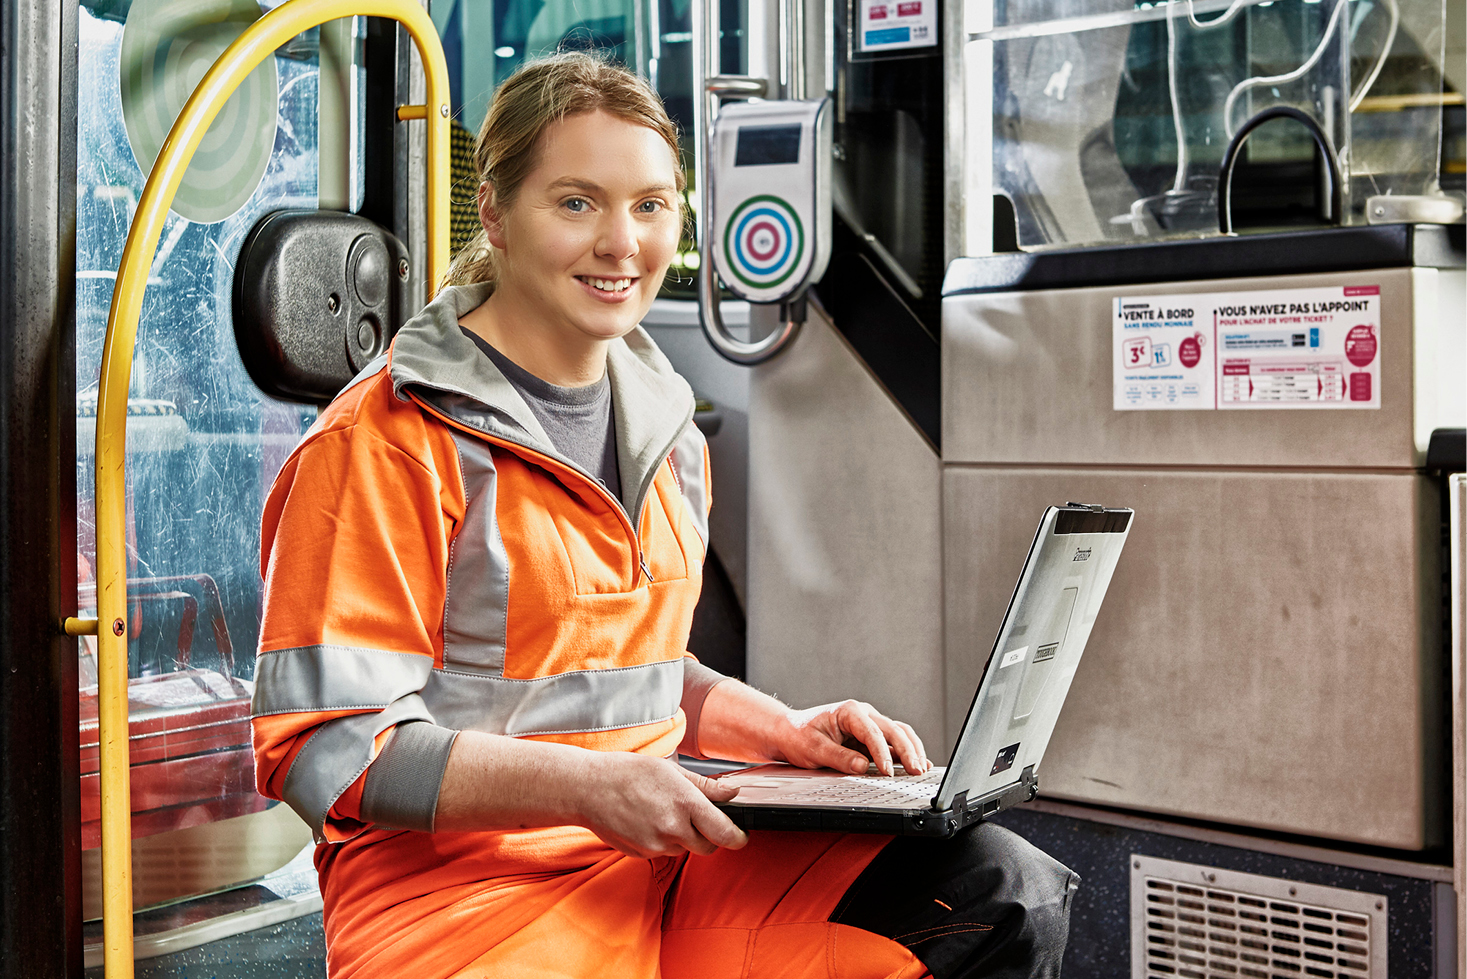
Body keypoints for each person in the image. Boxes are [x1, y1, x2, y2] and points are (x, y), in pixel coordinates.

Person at [252, 52, 1077, 979]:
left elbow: (625, 665)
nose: (621, 243)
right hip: (464, 901)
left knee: (1001, 891)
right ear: (494, 212)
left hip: (659, 867)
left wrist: (782, 729)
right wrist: (592, 788)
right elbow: (327, 748)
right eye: (576, 202)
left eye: (650, 205)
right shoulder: (386, 440)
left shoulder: (666, 429)